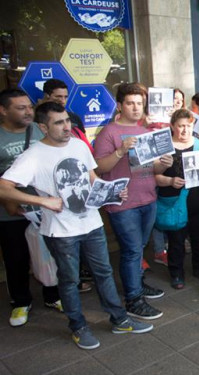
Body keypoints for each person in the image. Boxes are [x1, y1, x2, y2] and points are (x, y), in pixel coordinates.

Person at [0, 101, 153, 349]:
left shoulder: (79, 145)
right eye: (58, 123)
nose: (66, 127)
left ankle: (119, 319)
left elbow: (91, 178)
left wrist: (110, 193)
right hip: (60, 231)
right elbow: (3, 187)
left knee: (104, 273)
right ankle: (78, 326)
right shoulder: (33, 155)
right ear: (43, 127)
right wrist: (42, 200)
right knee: (69, 280)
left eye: (67, 121)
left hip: (92, 223)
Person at [93, 83, 169, 320]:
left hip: (148, 197)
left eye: (139, 103)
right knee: (132, 250)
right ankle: (133, 299)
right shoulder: (109, 133)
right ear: (119, 105)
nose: (136, 108)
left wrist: (163, 164)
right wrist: (120, 151)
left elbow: (150, 166)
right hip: (122, 203)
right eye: (130, 103)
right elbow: (99, 168)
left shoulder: (146, 132)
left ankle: (137, 283)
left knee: (139, 247)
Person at [0, 89, 62, 326]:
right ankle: (20, 302)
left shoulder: (40, 130)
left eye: (29, 106)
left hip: (45, 207)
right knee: (16, 257)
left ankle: (53, 296)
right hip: (10, 211)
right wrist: (9, 202)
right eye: (20, 107)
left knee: (49, 254)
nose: (28, 111)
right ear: (4, 110)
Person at [155, 109, 199, 288]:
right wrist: (169, 180)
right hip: (175, 203)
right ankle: (176, 273)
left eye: (188, 126)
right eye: (180, 126)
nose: (185, 130)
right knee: (176, 240)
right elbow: (154, 177)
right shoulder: (165, 147)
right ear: (172, 126)